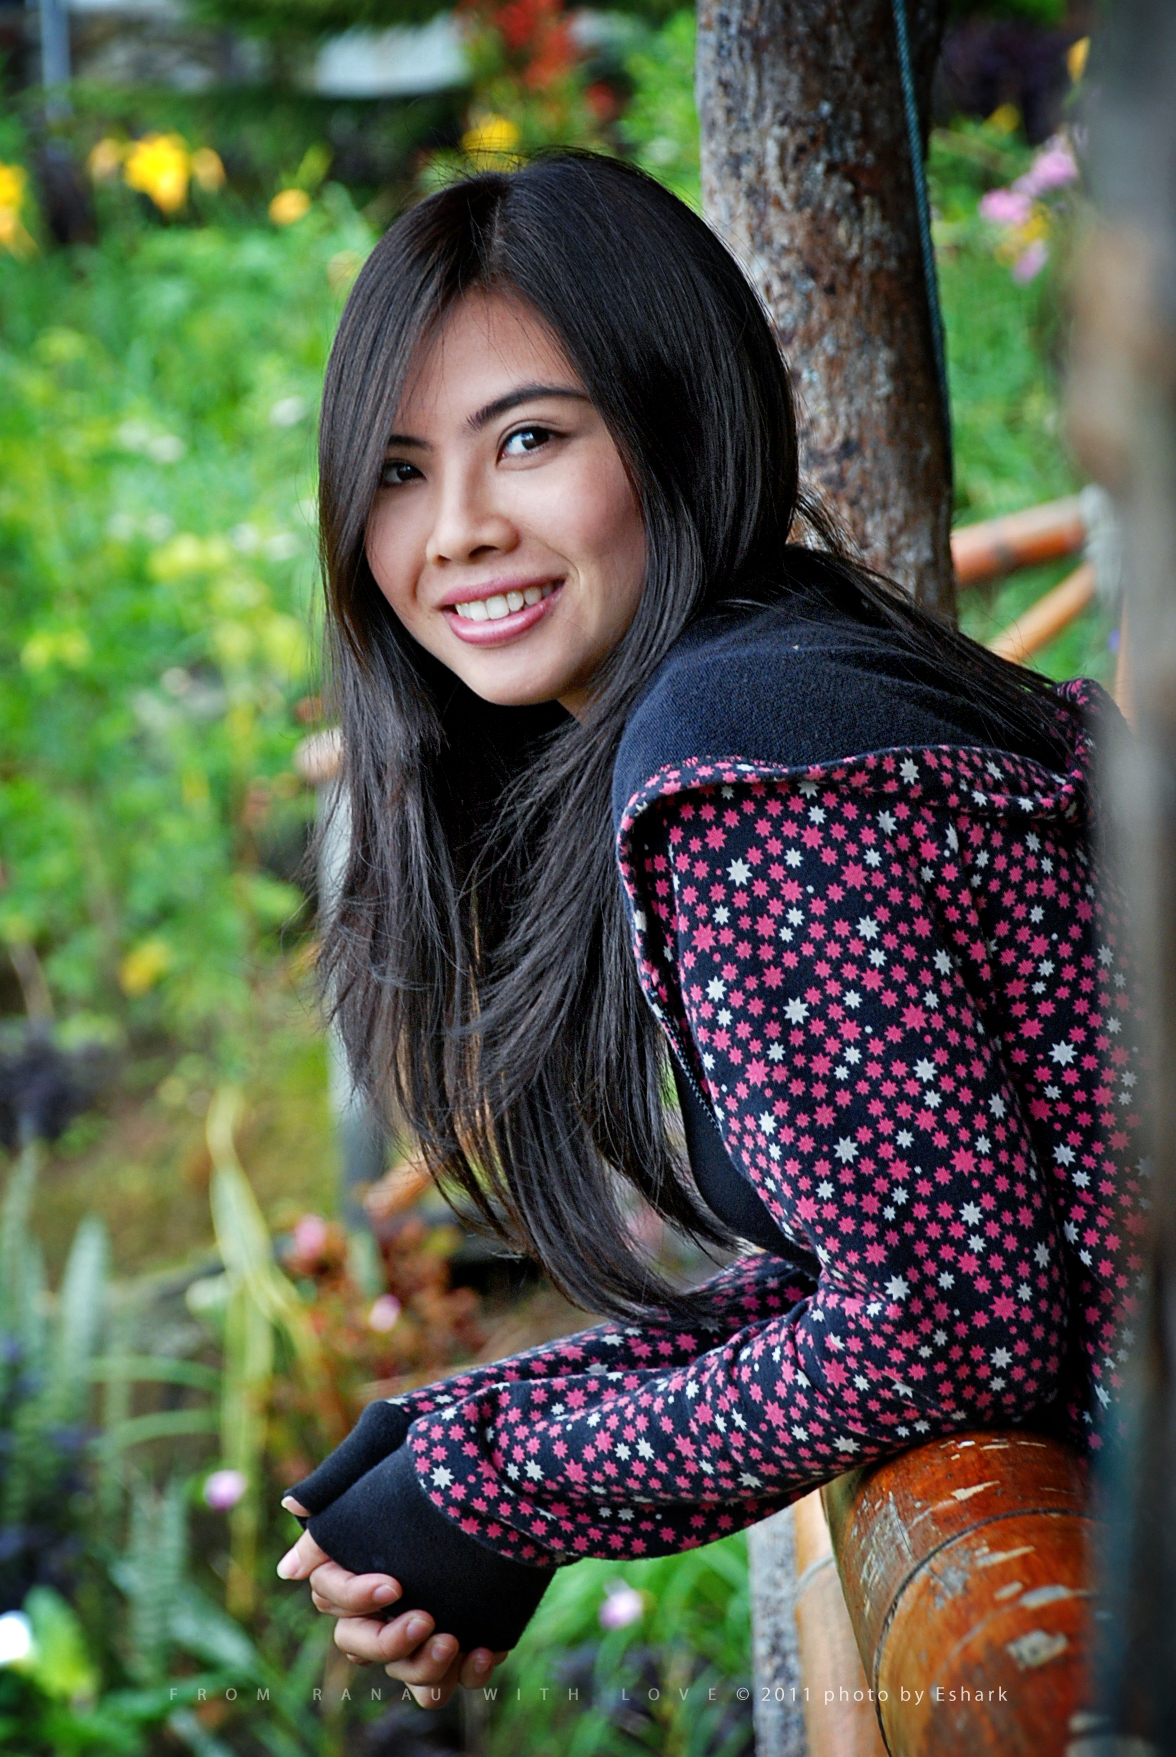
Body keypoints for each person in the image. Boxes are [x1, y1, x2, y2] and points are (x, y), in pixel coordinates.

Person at [275, 150, 1145, 1709]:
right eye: (400, 470)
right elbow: (915, 1234)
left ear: (675, 423)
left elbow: (941, 1319)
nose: (456, 528)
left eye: (527, 439)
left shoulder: (740, 762)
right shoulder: (780, 664)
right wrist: (482, 1436)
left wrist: (517, 1485)